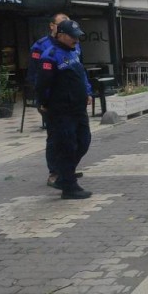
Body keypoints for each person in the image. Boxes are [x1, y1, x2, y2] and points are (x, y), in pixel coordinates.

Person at [35, 20, 93, 199]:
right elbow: (42, 83)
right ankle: (69, 186)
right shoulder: (50, 55)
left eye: (77, 36)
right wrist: (43, 104)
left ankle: (63, 174)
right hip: (61, 109)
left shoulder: (74, 50)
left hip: (78, 107)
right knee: (67, 145)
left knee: (84, 141)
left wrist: (88, 92)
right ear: (60, 35)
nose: (76, 39)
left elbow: (81, 74)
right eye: (72, 36)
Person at [28, 12, 84, 187]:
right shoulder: (42, 47)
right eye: (62, 23)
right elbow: (37, 75)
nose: (66, 25)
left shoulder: (73, 44)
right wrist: (42, 100)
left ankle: (66, 170)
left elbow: (78, 70)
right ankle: (55, 172)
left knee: (78, 138)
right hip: (55, 100)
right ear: (53, 26)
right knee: (56, 138)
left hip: (73, 101)